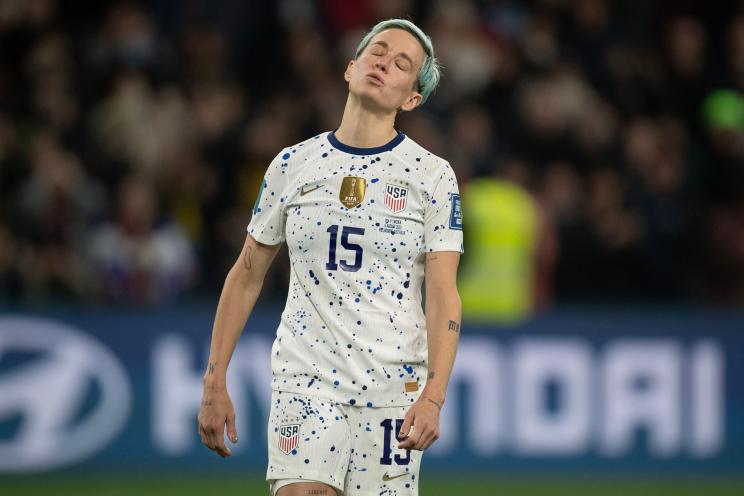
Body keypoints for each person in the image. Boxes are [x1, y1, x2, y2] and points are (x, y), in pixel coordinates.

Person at [197, 19, 463, 496]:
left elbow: (443, 295)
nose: (385, 62)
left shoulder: (432, 176)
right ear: (350, 68)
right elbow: (246, 275)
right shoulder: (291, 164)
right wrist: (214, 382)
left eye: (403, 64)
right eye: (377, 51)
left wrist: (434, 398)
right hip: (306, 377)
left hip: (392, 389)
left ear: (411, 99)